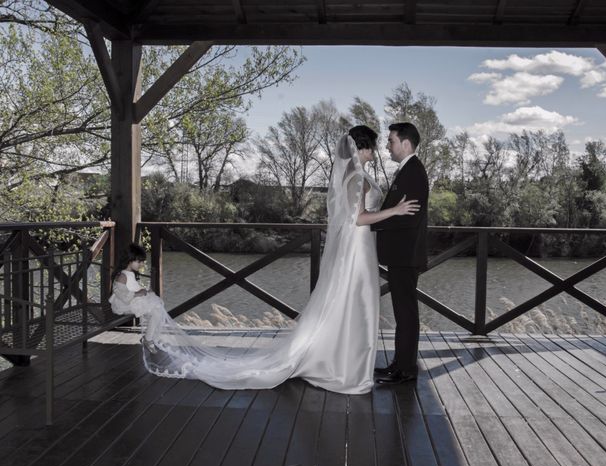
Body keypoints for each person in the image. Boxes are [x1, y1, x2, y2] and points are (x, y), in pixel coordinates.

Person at [128, 125, 419, 394]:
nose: (378, 151)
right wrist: (395, 211)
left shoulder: (353, 175)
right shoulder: (357, 178)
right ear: (363, 148)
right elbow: (358, 219)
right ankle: (347, 369)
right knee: (358, 305)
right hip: (358, 249)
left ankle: (343, 363)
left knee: (352, 306)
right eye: (375, 146)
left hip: (359, 249)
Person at [371, 122, 429, 385]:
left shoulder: (414, 172)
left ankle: (406, 370)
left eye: (391, 140)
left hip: (405, 256)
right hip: (401, 255)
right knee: (402, 313)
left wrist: (372, 222)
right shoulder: (407, 171)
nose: (387, 145)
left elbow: (408, 217)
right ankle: (399, 364)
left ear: (406, 143)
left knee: (406, 314)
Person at [108, 243, 167, 354]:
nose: (141, 264)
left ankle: (149, 337)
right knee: (156, 310)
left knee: (157, 308)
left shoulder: (130, 273)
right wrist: (138, 293)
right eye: (139, 261)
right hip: (123, 304)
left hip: (132, 300)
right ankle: (148, 339)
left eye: (142, 261)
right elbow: (122, 295)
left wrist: (144, 291)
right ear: (129, 260)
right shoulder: (122, 276)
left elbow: (133, 287)